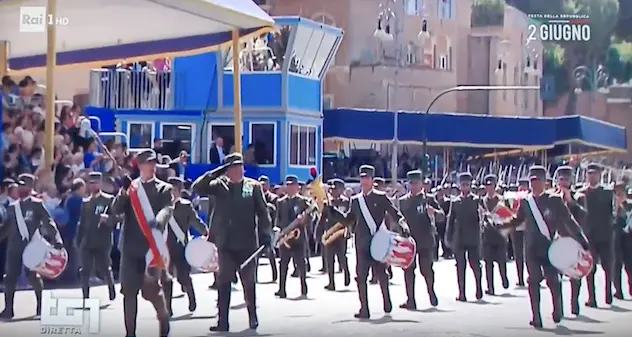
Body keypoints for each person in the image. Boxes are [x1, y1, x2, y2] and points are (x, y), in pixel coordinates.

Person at [191, 152, 271, 331]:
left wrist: (266, 234)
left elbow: (263, 213)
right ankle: (223, 321)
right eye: (233, 168)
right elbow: (197, 187)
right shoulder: (218, 185)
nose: (237, 171)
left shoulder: (252, 186)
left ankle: (252, 317)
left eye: (240, 167)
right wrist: (215, 173)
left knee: (249, 282)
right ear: (226, 170)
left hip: (248, 243)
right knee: (223, 281)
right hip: (224, 243)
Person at [501, 165, 588, 328]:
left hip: (550, 247)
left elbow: (568, 220)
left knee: (553, 281)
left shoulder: (554, 200)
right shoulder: (526, 201)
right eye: (532, 181)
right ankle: (536, 316)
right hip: (532, 248)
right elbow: (517, 220)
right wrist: (501, 224)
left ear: (545, 182)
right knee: (533, 280)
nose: (534, 184)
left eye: (538, 181)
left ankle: (557, 310)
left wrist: (581, 238)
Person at [111, 149, 173, 336]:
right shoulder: (132, 188)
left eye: (153, 163)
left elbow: (168, 208)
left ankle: (163, 318)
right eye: (147, 163)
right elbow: (116, 210)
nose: (151, 166)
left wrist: (159, 220)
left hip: (151, 249)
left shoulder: (164, 188)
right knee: (129, 292)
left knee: (151, 291)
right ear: (140, 166)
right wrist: (123, 192)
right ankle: (130, 333)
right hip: (130, 247)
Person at [342, 165, 409, 319]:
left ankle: (387, 301)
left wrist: (403, 225)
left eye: (367, 178)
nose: (364, 181)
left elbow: (395, 213)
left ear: (372, 180)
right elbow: (349, 219)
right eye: (362, 178)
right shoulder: (356, 200)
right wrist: (334, 213)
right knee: (361, 277)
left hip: (379, 243)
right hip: (362, 244)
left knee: (382, 275)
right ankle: (364, 309)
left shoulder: (381, 197)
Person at [0, 173, 64, 318]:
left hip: (32, 246)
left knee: (33, 276)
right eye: (19, 185)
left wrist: (57, 240)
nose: (21, 187)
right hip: (14, 247)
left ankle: (40, 307)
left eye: (24, 185)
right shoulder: (12, 207)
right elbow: (5, 228)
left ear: (30, 187)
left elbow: (49, 222)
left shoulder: (36, 204)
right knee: (9, 276)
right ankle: (8, 309)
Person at [162, 177, 209, 316]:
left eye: (173, 190)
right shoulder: (161, 206)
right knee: (166, 279)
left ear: (179, 191)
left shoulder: (185, 206)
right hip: (165, 248)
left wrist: (207, 232)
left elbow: (196, 221)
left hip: (181, 246)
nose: (171, 193)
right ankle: (167, 308)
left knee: (183, 276)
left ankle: (191, 297)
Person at [398, 170, 442, 309]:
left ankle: (431, 291)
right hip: (409, 241)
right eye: (411, 183)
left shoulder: (428, 199)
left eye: (416, 183)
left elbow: (442, 216)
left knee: (426, 269)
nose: (413, 186)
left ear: (422, 183)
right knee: (408, 270)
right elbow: (398, 218)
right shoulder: (403, 201)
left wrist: (434, 213)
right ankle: (410, 299)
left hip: (425, 240)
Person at [573, 163, 615, 308]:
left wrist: (611, 228)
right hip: (588, 236)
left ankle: (608, 293)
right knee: (590, 268)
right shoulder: (581, 193)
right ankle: (592, 298)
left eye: (595, 174)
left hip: (605, 235)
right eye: (590, 174)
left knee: (608, 266)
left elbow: (612, 212)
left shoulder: (607, 192)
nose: (592, 177)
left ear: (600, 175)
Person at [75, 172, 117, 303]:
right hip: (87, 240)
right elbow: (82, 222)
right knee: (85, 269)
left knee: (104, 267)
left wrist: (108, 219)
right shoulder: (86, 202)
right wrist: (78, 239)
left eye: (96, 183)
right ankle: (85, 296)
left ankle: (111, 287)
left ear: (100, 183)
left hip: (102, 240)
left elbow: (117, 217)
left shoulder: (108, 200)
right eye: (91, 183)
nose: (93, 185)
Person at [445, 172, 483, 301]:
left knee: (475, 265)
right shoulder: (455, 202)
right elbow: (451, 219)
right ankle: (462, 293)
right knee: (460, 266)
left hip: (473, 237)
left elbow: (483, 218)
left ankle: (479, 288)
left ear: (470, 185)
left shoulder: (476, 200)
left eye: (467, 184)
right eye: (462, 185)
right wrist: (448, 237)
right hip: (459, 237)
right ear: (459, 186)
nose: (465, 187)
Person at [275, 175, 313, 298]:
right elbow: (278, 219)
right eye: (288, 185)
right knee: (283, 264)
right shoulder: (281, 202)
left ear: (297, 187)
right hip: (285, 237)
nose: (290, 187)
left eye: (293, 185)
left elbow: (311, 214)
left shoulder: (302, 201)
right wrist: (279, 232)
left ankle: (303, 287)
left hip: (298, 237)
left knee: (301, 263)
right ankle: (281, 289)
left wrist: (304, 220)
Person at [480, 174, 509, 295]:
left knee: (502, 261)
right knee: (488, 263)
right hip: (487, 235)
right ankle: (490, 287)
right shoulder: (482, 201)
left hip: (500, 235)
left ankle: (504, 279)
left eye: (491, 185)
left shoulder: (501, 200)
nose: (489, 188)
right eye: (487, 185)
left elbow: (507, 215)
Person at [322, 178, 351, 290]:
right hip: (330, 233)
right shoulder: (327, 203)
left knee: (342, 257)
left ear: (342, 190)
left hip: (341, 233)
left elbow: (347, 217)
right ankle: (331, 282)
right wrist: (318, 231)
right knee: (329, 258)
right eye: (332, 189)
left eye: (336, 189)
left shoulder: (346, 202)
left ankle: (346, 272)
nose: (333, 191)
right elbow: (323, 218)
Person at [257, 175, 278, 283]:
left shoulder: (273, 198)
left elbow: (274, 211)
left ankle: (275, 275)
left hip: (268, 228)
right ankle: (254, 277)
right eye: (261, 185)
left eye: (265, 184)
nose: (263, 187)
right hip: (257, 228)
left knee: (270, 252)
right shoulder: (255, 196)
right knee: (256, 253)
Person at [613, 181, 632, 299]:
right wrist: (616, 207)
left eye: (621, 191)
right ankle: (618, 291)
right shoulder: (612, 204)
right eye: (617, 191)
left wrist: (623, 204)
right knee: (616, 264)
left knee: (629, 265)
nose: (619, 193)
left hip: (629, 238)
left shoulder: (629, 204)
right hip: (615, 237)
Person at [511, 178, 530, 287]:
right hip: (516, 229)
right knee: (518, 255)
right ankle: (520, 278)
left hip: (528, 229)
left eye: (524, 185)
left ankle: (533, 275)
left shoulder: (530, 198)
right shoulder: (513, 198)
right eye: (520, 185)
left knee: (529, 255)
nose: (522, 187)